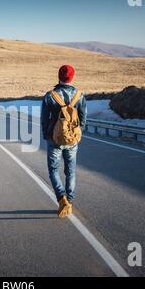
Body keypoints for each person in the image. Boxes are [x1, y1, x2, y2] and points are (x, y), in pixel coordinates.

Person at [41, 65, 87, 218]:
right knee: (71, 172)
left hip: (54, 139)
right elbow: (83, 118)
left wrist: (46, 135)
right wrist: (77, 134)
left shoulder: (50, 96)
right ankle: (70, 201)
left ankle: (62, 199)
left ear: (58, 76)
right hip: (72, 140)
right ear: (72, 77)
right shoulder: (79, 95)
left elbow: (44, 119)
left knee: (53, 170)